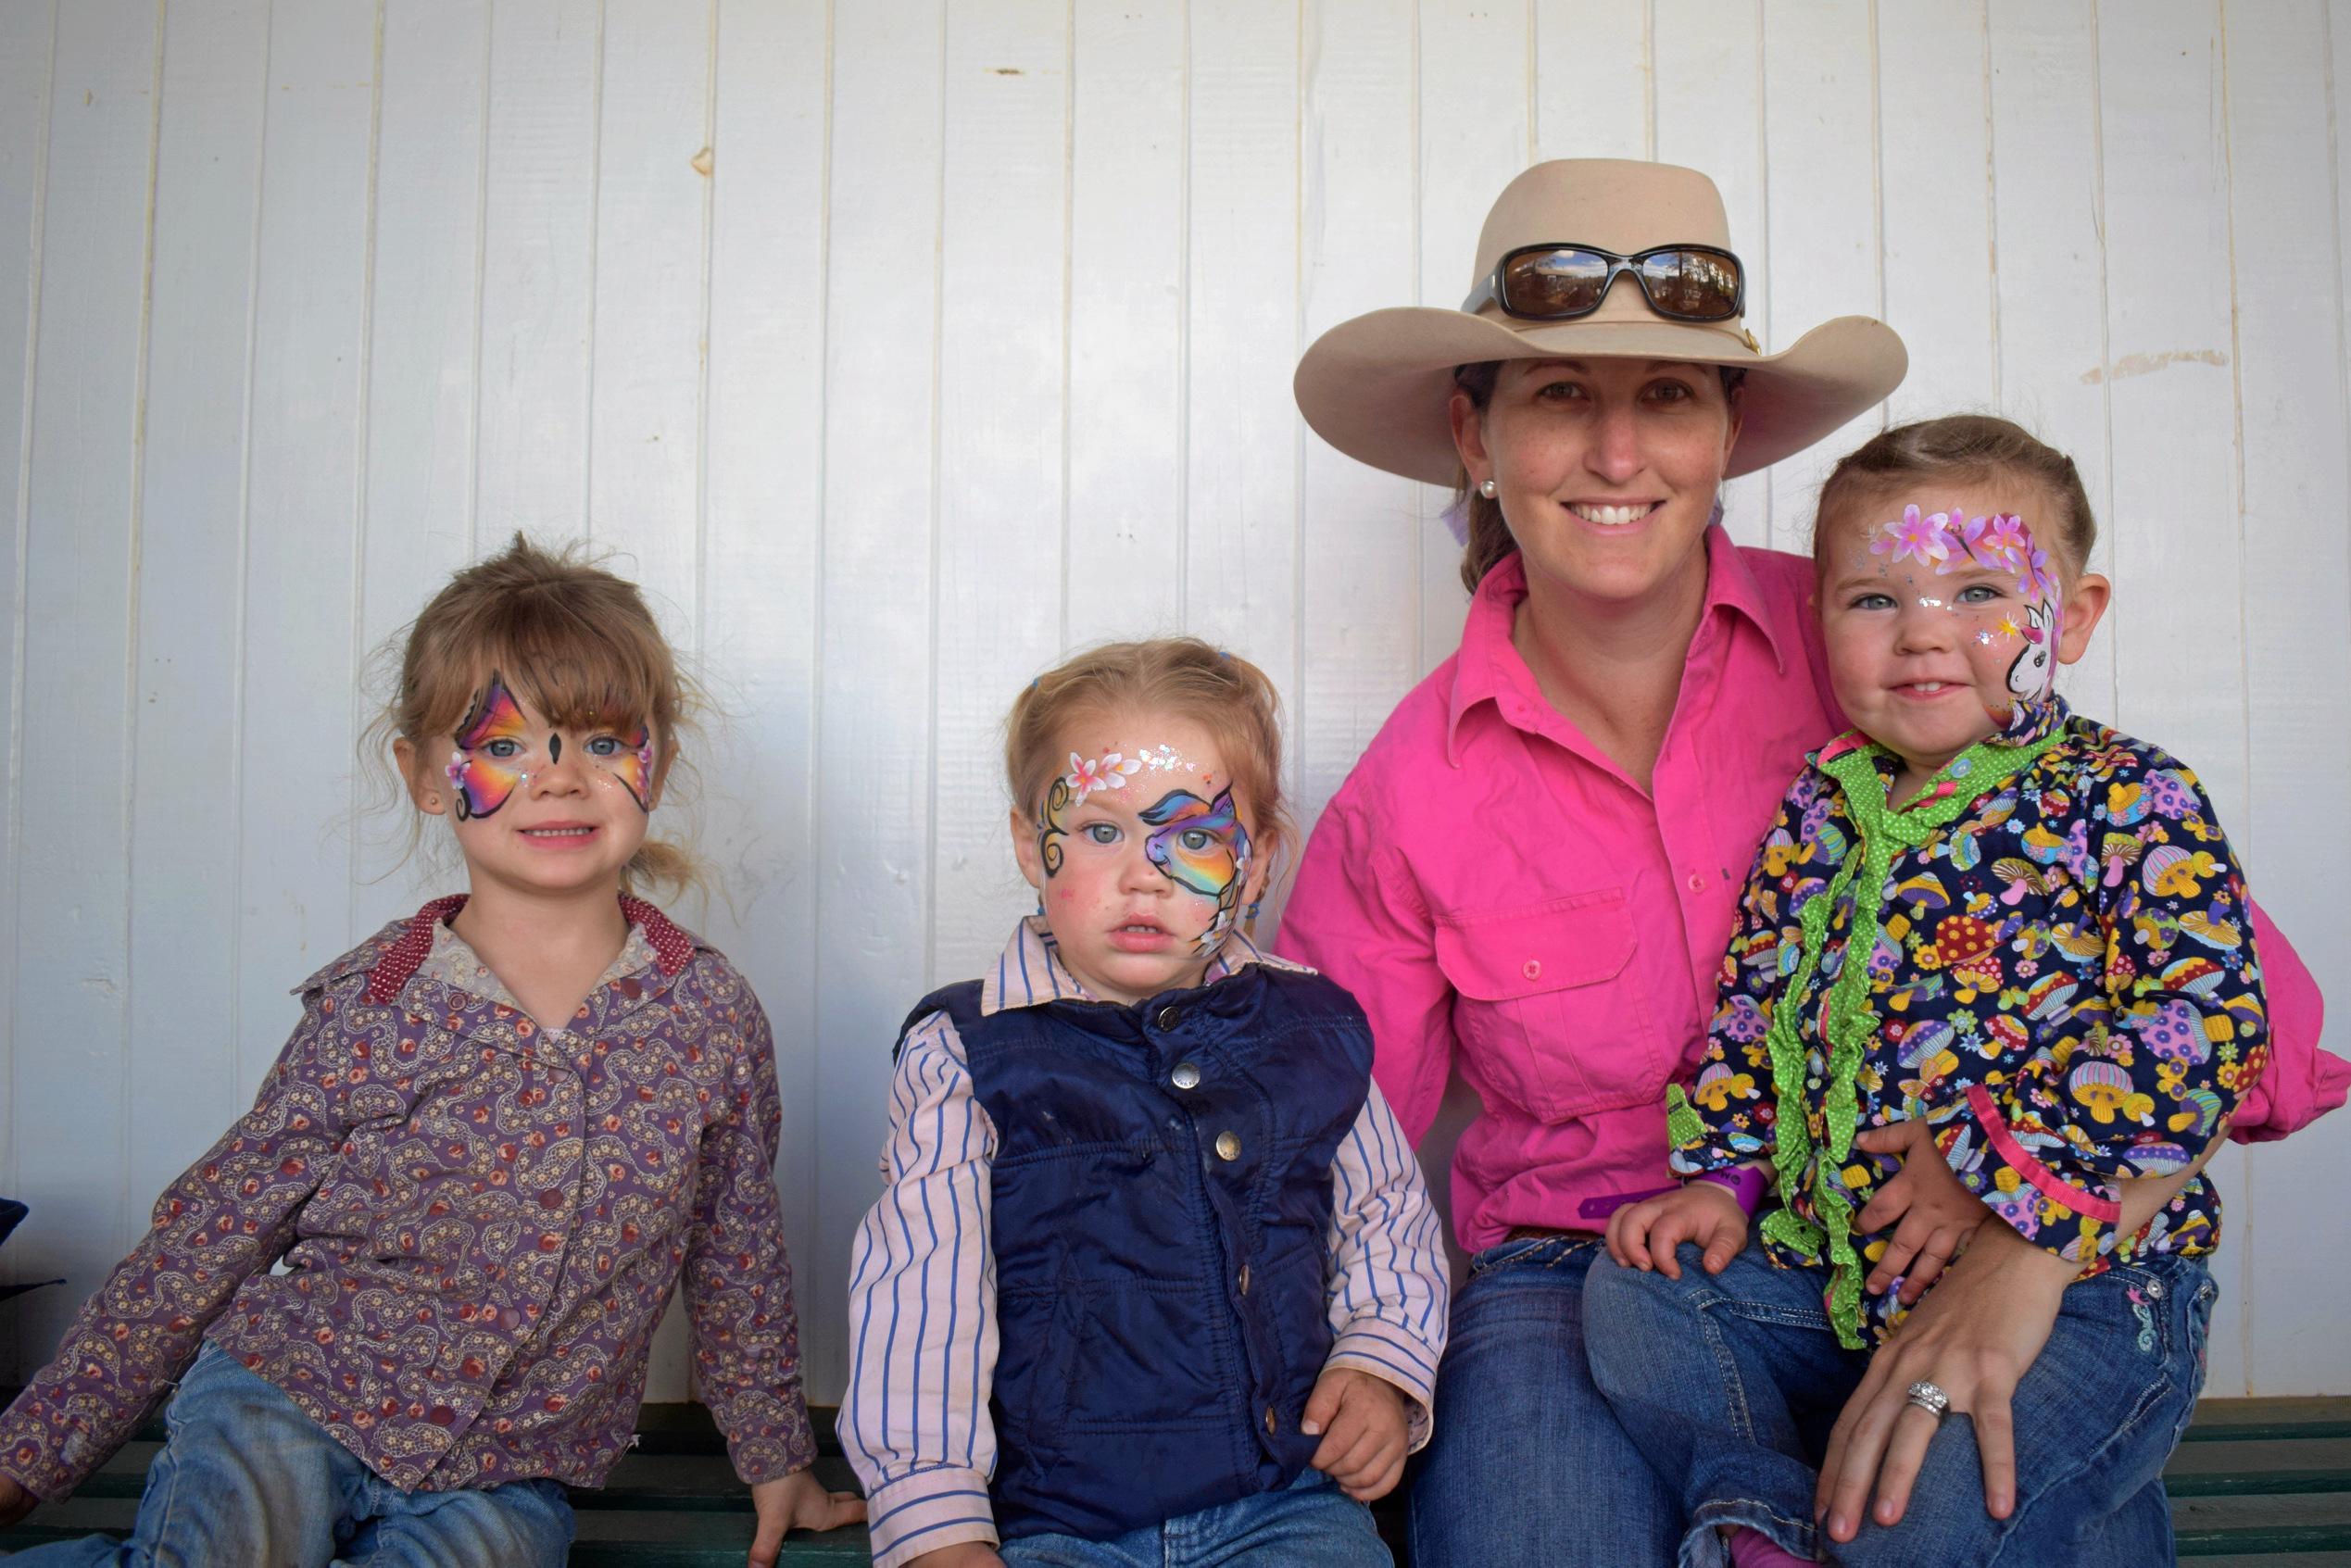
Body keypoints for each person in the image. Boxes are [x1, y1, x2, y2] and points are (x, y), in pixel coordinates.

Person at [1276, 159, 2346, 1564]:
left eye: (1665, 395)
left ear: (1730, 434)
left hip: (1978, 1230)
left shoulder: (1897, 651)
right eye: (1557, 397)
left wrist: (2029, 1241)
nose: (1615, 455)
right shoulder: (1407, 793)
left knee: (1970, 1509)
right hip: (1590, 1272)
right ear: (1474, 435)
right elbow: (1315, 1156)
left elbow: (2256, 1038)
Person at [0, 536, 862, 1566]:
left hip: (508, 1461)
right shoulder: (369, 1007)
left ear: (657, 766)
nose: (558, 779)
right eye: (504, 744)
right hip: (292, 1396)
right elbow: (208, 1237)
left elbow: (737, 1254)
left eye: (599, 741)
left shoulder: (707, 1016)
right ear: (421, 774)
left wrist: (779, 1461)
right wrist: (26, 1458)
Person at [1588, 414, 2285, 1565]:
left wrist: (1995, 1172)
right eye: (1873, 600)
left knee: (1918, 1516)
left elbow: (2205, 1023)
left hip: (2094, 1293)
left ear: (2076, 613)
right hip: (1834, 1277)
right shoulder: (1822, 806)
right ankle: (1763, 1519)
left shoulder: (2126, 797)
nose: (1923, 635)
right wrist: (1724, 1173)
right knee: (1636, 1290)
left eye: (1977, 592)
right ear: (1819, 624)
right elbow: (1758, 999)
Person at [840, 638, 1449, 1568]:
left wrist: (1378, 1362)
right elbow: (923, 1298)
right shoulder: (968, 1054)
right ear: (1023, 840)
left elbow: (1387, 1219)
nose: (1144, 874)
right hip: (1055, 1521)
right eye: (1099, 830)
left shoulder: (1311, 1031)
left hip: (1281, 1505)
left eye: (1195, 837)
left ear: (1259, 861)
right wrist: (938, 1528)